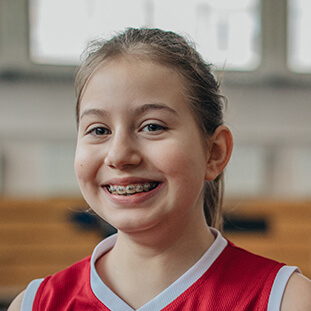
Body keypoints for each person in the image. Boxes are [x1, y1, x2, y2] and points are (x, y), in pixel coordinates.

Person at [9, 28, 311, 311]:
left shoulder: (286, 300)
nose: (119, 155)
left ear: (214, 153)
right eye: (99, 130)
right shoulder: (36, 304)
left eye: (152, 126)